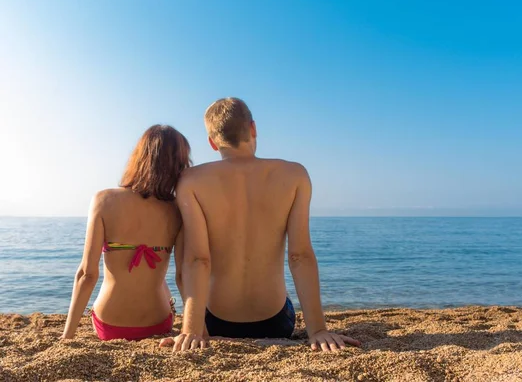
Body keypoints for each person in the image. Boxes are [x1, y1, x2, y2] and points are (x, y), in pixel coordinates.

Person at [164, 98, 360, 352]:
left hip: (215, 321)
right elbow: (300, 256)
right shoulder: (295, 175)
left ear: (212, 143)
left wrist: (191, 329)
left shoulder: (190, 180)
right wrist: (318, 330)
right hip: (276, 322)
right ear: (253, 129)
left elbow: (197, 260)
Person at [62, 125, 192, 341]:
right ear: (178, 165)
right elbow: (182, 276)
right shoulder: (177, 210)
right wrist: (193, 328)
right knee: (160, 278)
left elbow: (87, 274)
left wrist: (67, 337)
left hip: (110, 325)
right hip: (159, 322)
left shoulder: (104, 200)